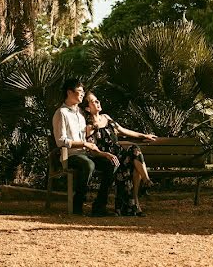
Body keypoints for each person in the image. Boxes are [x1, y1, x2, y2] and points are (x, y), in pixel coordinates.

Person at [83, 91, 157, 217]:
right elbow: (92, 148)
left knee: (134, 149)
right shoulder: (89, 126)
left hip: (119, 153)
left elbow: (123, 130)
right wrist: (104, 154)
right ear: (87, 108)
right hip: (107, 157)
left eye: (97, 100)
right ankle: (136, 202)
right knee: (132, 165)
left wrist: (144, 135)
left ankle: (146, 180)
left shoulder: (106, 117)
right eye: (93, 101)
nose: (97, 102)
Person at [52, 78, 118, 216]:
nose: (82, 94)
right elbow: (61, 141)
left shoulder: (81, 114)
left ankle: (99, 206)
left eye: (82, 91)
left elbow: (89, 137)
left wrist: (102, 153)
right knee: (88, 165)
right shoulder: (61, 113)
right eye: (80, 91)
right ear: (69, 92)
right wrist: (84, 144)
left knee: (111, 163)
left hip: (87, 153)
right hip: (70, 155)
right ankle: (78, 203)